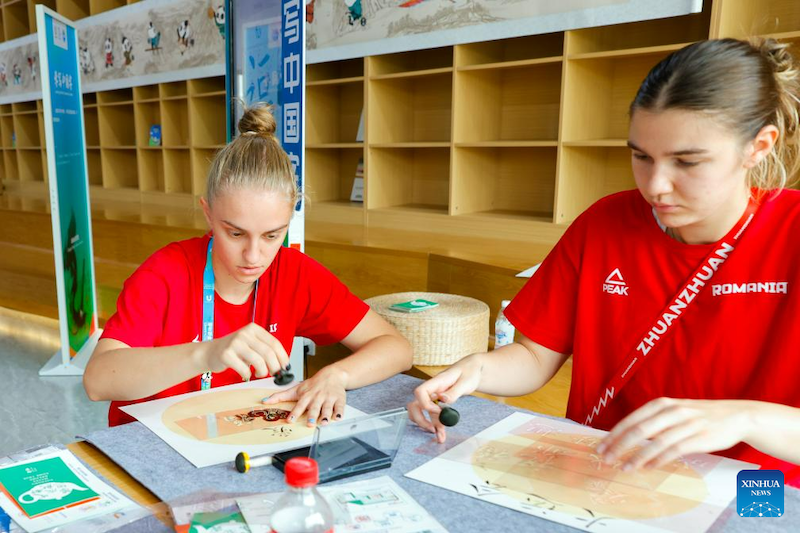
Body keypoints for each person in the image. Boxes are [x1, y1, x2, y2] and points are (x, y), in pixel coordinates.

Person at [407, 38, 800, 486]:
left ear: (760, 146)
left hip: (754, 488)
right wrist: (478, 369)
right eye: (641, 156)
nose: (657, 185)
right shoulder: (605, 222)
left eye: (687, 162)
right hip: (605, 472)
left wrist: (747, 419)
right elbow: (536, 356)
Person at [84, 104, 413, 427]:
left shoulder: (294, 273)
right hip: (150, 446)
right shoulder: (166, 273)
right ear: (208, 213)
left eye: (272, 235)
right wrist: (206, 355)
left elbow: (396, 348)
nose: (254, 256)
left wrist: (337, 375)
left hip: (240, 439)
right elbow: (97, 381)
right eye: (236, 233)